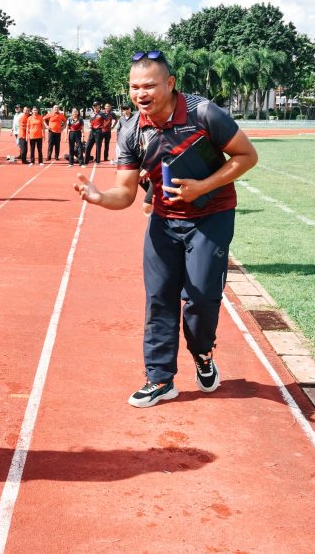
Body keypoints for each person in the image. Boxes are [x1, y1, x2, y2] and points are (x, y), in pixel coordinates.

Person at [74, 50, 258, 407]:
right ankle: (159, 379)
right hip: (164, 220)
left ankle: (202, 353)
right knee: (159, 298)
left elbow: (247, 156)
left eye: (149, 86)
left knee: (201, 300)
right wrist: (99, 197)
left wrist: (202, 187)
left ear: (170, 83)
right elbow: (126, 193)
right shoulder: (131, 130)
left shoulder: (204, 113)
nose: (140, 94)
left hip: (211, 217)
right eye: (134, 87)